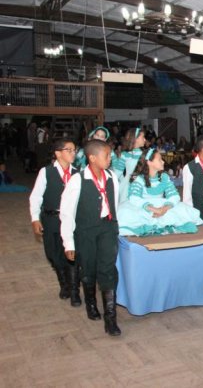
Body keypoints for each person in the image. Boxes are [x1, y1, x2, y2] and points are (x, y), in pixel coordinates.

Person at [60, 140, 121, 336]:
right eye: (106, 156)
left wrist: (116, 226)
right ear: (92, 158)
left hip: (107, 228)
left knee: (108, 269)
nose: (110, 159)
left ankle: (110, 318)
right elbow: (67, 213)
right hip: (85, 231)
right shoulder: (77, 180)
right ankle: (91, 303)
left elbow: (115, 203)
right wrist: (68, 242)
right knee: (89, 268)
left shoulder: (112, 177)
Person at [29, 139, 81, 306]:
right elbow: (36, 196)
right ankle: (63, 283)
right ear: (58, 153)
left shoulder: (78, 174)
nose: (73, 153)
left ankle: (74, 290)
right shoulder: (46, 172)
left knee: (71, 253)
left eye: (74, 150)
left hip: (72, 220)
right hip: (52, 218)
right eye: (69, 150)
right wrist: (35, 218)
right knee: (53, 254)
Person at [118, 148, 203, 236]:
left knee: (182, 211)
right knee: (128, 214)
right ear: (149, 162)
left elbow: (174, 196)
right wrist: (154, 210)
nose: (163, 162)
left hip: (162, 207)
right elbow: (134, 198)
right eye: (159, 159)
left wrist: (164, 209)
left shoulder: (164, 177)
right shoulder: (139, 179)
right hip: (145, 207)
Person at [114, 127, 146, 203]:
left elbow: (117, 172)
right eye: (143, 137)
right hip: (129, 185)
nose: (145, 140)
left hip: (140, 183)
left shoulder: (145, 154)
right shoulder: (125, 154)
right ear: (135, 138)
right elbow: (117, 172)